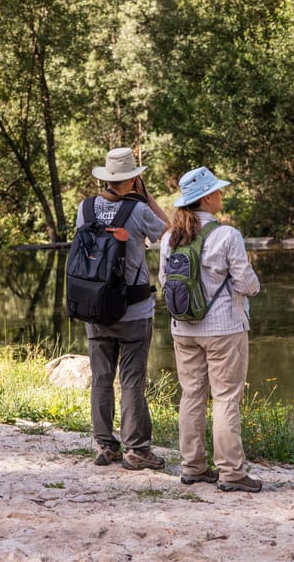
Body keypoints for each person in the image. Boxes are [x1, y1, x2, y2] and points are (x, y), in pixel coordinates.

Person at [158, 166, 262, 492]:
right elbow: (247, 283)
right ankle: (231, 473)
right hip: (224, 329)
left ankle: (193, 466)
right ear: (206, 198)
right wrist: (254, 285)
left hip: (183, 328)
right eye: (217, 191)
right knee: (226, 399)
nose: (220, 195)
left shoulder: (169, 238)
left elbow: (165, 282)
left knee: (191, 396)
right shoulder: (227, 235)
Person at [77, 147, 170, 470]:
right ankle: (137, 451)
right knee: (132, 381)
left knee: (102, 378)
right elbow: (169, 233)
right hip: (134, 310)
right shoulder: (138, 210)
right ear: (133, 179)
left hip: (95, 308)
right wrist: (147, 197)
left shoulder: (85, 208)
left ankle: (105, 446)